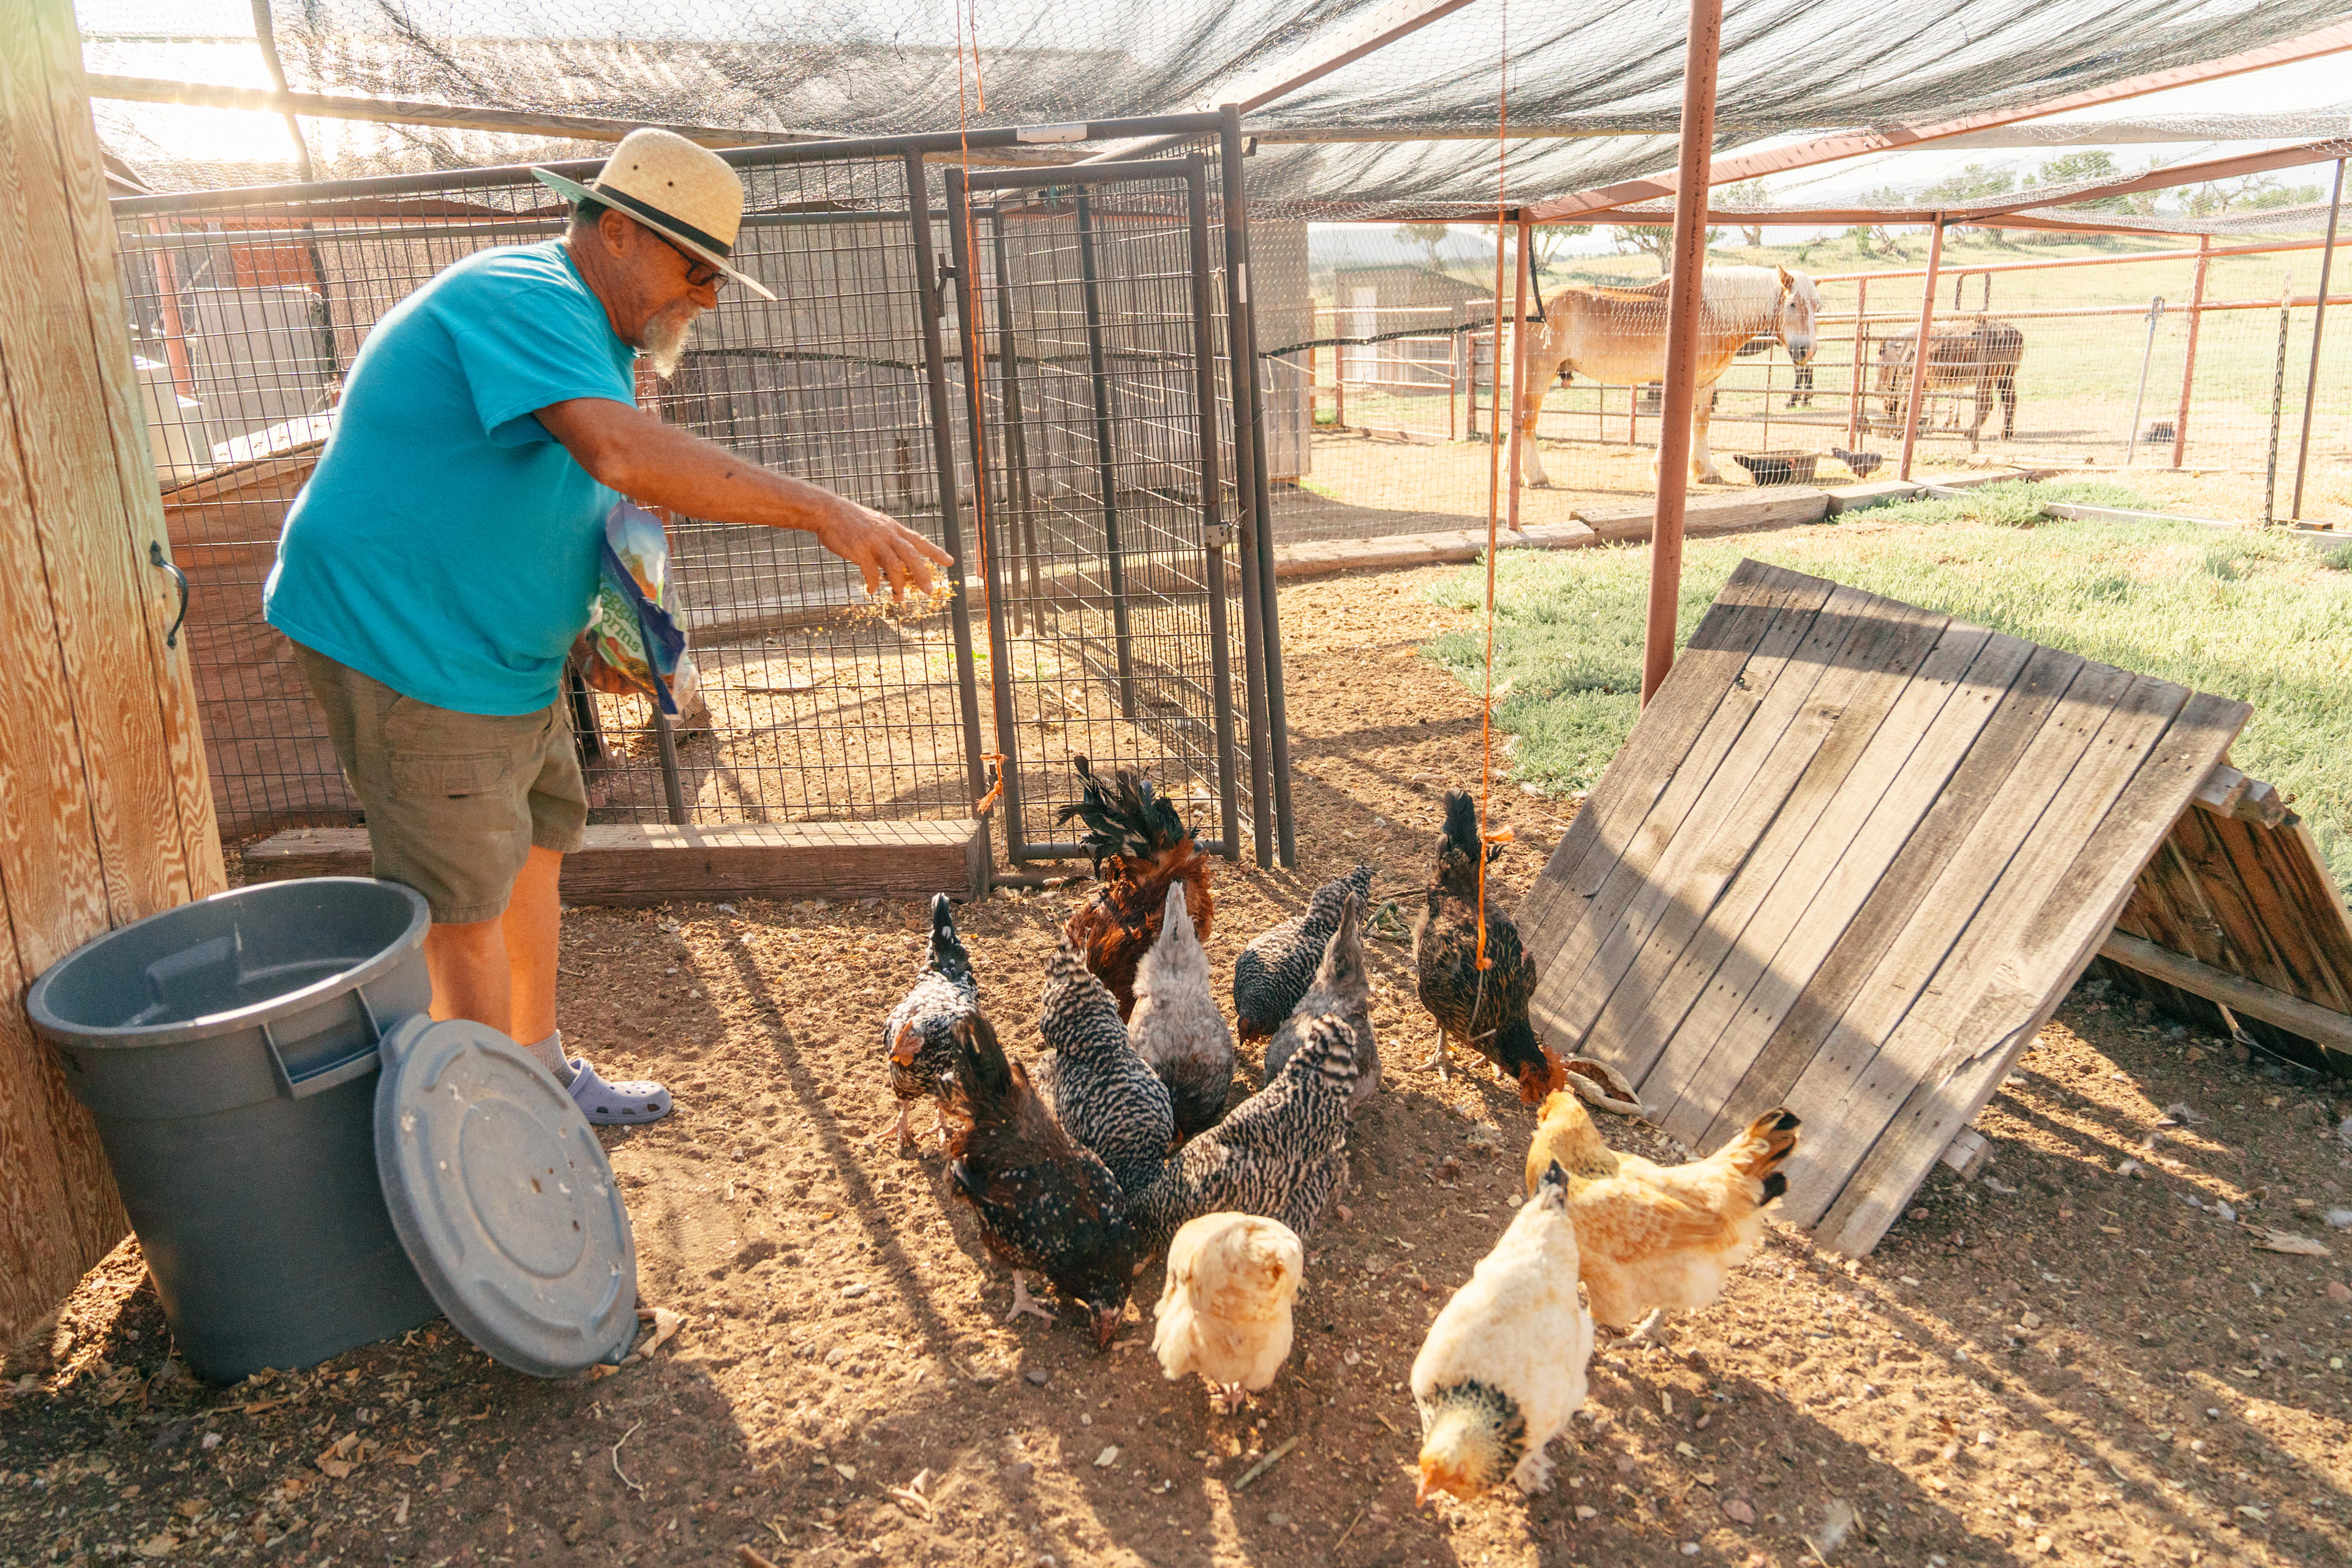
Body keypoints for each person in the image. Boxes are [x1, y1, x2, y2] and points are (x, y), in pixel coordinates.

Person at [264, 129, 949, 1125]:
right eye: (696, 268)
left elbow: (570, 498)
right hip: (410, 643)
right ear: (620, 231)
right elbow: (621, 458)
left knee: (537, 850)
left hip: (506, 653)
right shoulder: (524, 293)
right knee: (464, 909)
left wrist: (600, 636)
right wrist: (824, 510)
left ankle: (534, 1072)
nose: (706, 297)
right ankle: (488, 1136)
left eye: (716, 276)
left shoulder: (593, 335)